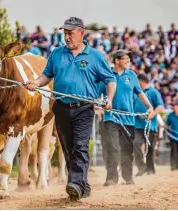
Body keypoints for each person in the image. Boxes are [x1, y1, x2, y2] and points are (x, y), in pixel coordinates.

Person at [24, 17, 117, 201]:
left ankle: (74, 184)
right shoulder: (57, 54)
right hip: (60, 107)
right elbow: (46, 76)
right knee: (68, 149)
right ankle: (82, 185)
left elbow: (110, 79)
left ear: (81, 33)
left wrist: (109, 99)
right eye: (65, 33)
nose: (67, 37)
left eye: (70, 33)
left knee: (80, 147)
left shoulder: (95, 56)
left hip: (84, 108)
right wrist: (35, 83)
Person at [98, 50, 154, 186]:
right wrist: (100, 103)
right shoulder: (107, 75)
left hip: (128, 119)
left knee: (127, 150)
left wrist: (149, 106)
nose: (128, 61)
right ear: (117, 60)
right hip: (111, 117)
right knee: (112, 147)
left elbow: (140, 93)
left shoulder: (132, 75)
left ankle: (128, 177)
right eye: (125, 59)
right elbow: (97, 93)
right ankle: (111, 178)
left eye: (129, 58)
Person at [133, 73, 165, 176]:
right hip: (137, 125)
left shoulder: (153, 92)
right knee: (136, 143)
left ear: (141, 81)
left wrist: (152, 115)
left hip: (150, 126)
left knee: (150, 148)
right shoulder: (136, 93)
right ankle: (141, 167)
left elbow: (160, 106)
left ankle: (150, 170)